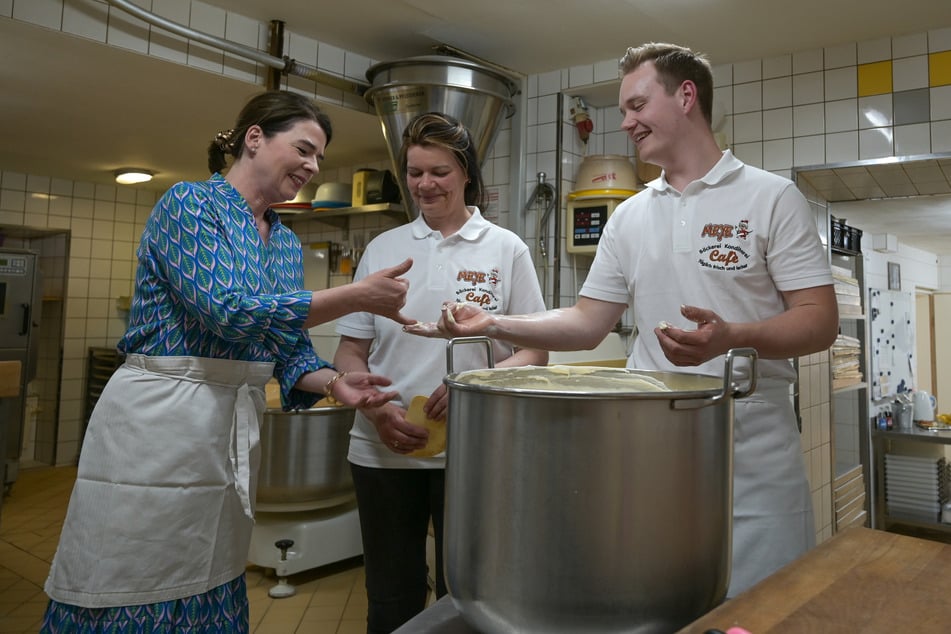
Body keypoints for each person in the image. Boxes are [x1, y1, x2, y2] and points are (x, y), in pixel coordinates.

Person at [407, 43, 839, 597]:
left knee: (761, 607)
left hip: (750, 446)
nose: (626, 122)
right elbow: (588, 323)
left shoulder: (771, 197)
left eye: (637, 105)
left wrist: (733, 338)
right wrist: (493, 322)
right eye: (623, 110)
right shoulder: (630, 215)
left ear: (686, 97)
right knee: (658, 601)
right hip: (650, 442)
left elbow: (819, 321)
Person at [41, 90, 415, 633]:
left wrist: (338, 383)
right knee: (129, 567)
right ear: (254, 138)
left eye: (319, 159)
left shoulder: (284, 244)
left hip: (225, 426)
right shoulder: (189, 204)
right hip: (160, 418)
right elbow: (228, 311)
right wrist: (354, 296)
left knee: (211, 565)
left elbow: (287, 349)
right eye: (304, 149)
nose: (312, 166)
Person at [333, 112, 548, 632]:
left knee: (469, 595)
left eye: (439, 172)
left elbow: (536, 354)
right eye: (414, 172)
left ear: (466, 173)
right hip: (383, 450)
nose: (424, 185)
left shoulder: (505, 248)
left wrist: (473, 384)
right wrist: (377, 408)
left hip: (474, 451)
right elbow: (350, 352)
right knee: (390, 595)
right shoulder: (384, 249)